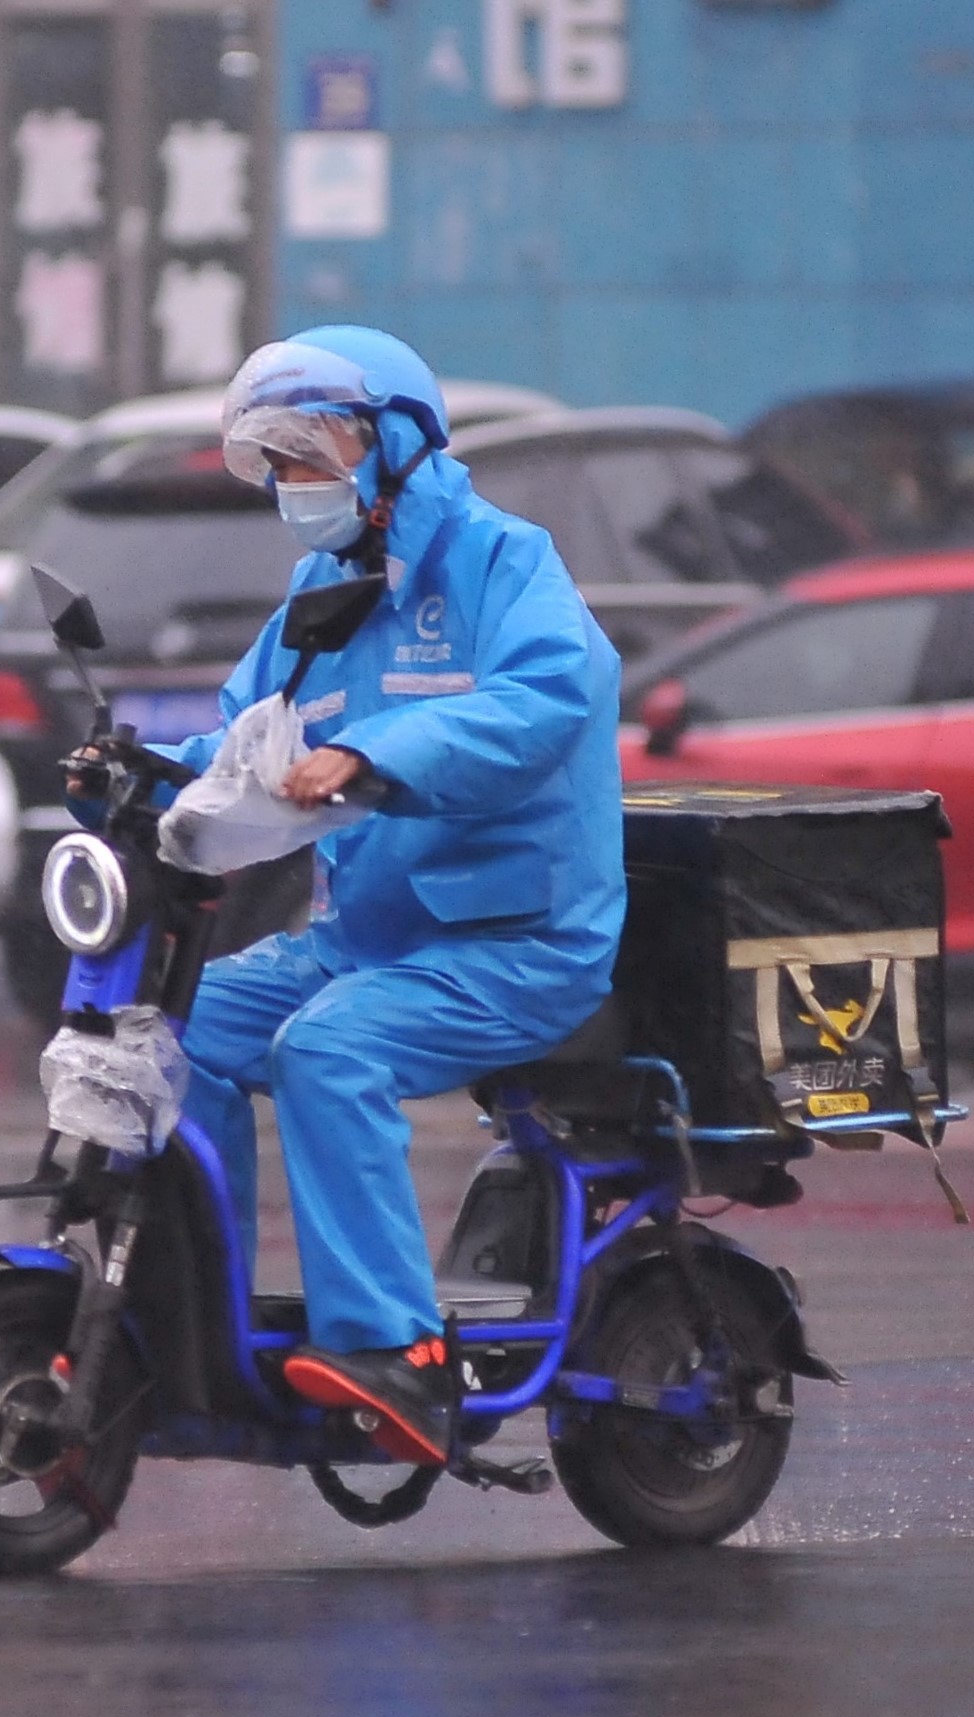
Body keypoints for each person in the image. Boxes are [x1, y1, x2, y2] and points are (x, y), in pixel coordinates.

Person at [121, 326, 623, 1469]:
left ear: (395, 443)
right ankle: (200, 1323)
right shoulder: (323, 587)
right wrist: (145, 770)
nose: (293, 488)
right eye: (276, 466)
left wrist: (377, 752)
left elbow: (551, 697)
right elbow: (248, 736)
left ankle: (400, 1353)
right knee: (170, 1033)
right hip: (369, 941)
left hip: (519, 947)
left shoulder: (505, 562)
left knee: (326, 1052)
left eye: (310, 455)